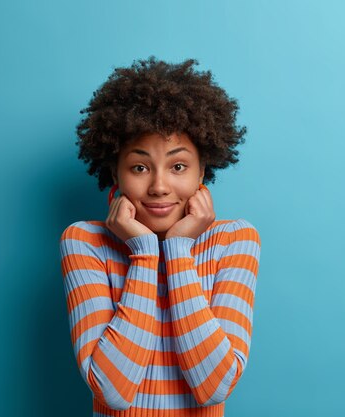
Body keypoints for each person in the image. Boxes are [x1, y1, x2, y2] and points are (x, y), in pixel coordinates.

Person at [60, 56, 261, 417]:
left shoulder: (236, 239)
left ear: (204, 169)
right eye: (139, 167)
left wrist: (179, 249)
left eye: (178, 166)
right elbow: (114, 391)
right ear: (115, 172)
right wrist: (144, 252)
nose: (159, 186)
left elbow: (214, 386)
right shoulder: (83, 241)